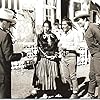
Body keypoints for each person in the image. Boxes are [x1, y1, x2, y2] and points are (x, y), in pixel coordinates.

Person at [0, 9, 26, 98]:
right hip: (2, 74)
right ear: (3, 22)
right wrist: (21, 54)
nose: (9, 26)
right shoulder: (4, 35)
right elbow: (8, 56)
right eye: (9, 23)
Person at [74, 11, 100, 98]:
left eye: (79, 20)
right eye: (77, 20)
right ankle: (91, 94)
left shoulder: (92, 27)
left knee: (98, 76)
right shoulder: (85, 29)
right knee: (92, 75)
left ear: (85, 19)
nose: (78, 22)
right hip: (93, 54)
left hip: (98, 53)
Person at [32, 20, 59, 98]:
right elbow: (39, 47)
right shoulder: (40, 36)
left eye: (47, 26)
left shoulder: (54, 36)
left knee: (52, 75)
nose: (46, 28)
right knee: (43, 75)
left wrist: (55, 55)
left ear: (50, 27)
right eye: (44, 26)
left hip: (52, 59)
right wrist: (47, 55)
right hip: (43, 58)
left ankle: (51, 91)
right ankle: (44, 92)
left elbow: (56, 47)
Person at [58, 17, 80, 99]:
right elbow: (61, 43)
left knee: (72, 75)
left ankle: (75, 92)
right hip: (64, 56)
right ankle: (71, 88)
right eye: (62, 24)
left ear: (69, 26)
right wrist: (59, 45)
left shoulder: (74, 34)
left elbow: (77, 46)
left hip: (71, 56)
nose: (62, 26)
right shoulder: (63, 34)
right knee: (66, 76)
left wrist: (66, 47)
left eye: (64, 24)